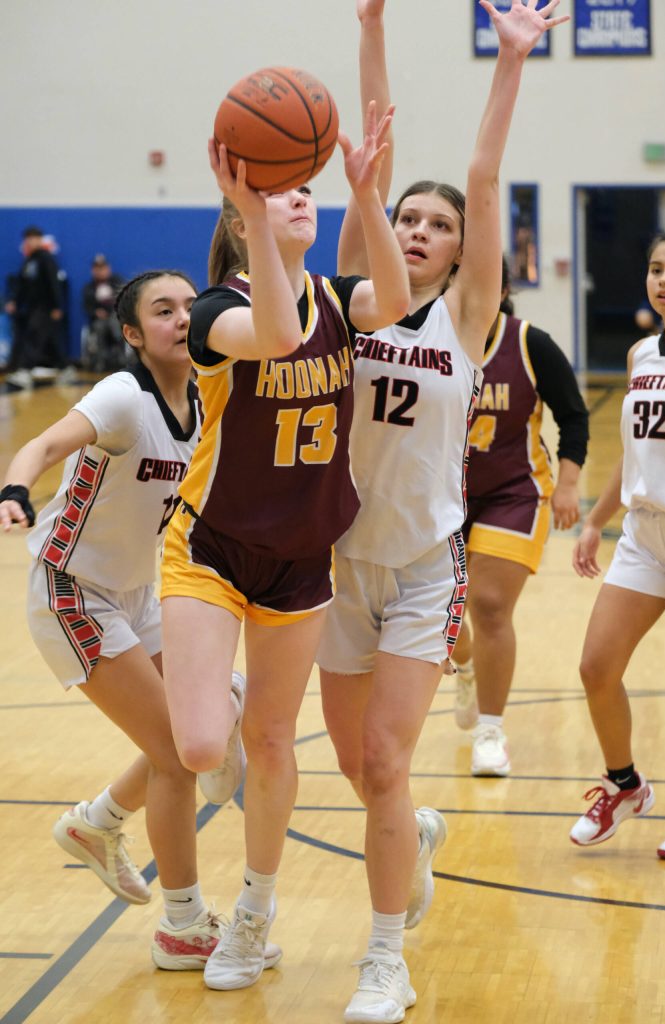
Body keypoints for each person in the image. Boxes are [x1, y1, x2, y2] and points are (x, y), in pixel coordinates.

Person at [317, 1, 570, 1021]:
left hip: (425, 563)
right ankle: (408, 835)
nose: (419, 230)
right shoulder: (355, 295)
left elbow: (479, 177)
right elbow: (369, 148)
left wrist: (508, 63)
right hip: (332, 564)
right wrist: (370, 25)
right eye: (406, 220)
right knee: (361, 773)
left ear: (462, 252)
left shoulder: (466, 318)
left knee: (384, 758)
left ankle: (384, 959)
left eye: (438, 225)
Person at [159, 102, 410, 994]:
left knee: (269, 742)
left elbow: (404, 297)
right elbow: (275, 336)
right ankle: (210, 678)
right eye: (280, 192)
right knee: (197, 748)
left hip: (303, 556)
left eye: (307, 191)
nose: (299, 200)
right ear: (239, 215)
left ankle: (255, 913)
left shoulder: (340, 301)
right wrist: (251, 216)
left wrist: (367, 195)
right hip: (212, 547)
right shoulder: (213, 315)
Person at [0, 270, 267, 971]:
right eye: (162, 310)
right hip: (72, 591)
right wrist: (14, 488)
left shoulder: (209, 404)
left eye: (188, 306)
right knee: (181, 752)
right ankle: (182, 927)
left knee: (220, 704)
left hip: (140, 593)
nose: (182, 318)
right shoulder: (122, 398)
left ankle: (99, 823)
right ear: (131, 333)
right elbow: (47, 445)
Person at [448, 256, 588, 776]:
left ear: (503, 287)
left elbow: (574, 416)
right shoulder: (429, 340)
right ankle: (464, 664)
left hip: (514, 491)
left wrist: (570, 485)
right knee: (442, 614)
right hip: (441, 496)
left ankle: (491, 731)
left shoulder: (530, 343)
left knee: (487, 606)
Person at [570, 231, 665, 861]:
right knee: (596, 667)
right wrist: (596, 518)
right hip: (643, 533)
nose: (663, 280)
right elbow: (639, 451)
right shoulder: (643, 354)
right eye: (656, 269)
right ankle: (624, 786)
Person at [4, 226, 66, 389]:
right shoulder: (29, 260)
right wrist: (15, 301)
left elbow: (54, 283)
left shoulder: (46, 259)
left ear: (40, 239)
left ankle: (25, 371)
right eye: (27, 238)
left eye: (33, 238)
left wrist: (56, 306)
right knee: (48, 338)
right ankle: (64, 367)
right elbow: (23, 285)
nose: (30, 241)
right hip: (32, 308)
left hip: (45, 306)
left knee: (34, 336)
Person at [81, 254, 126, 372]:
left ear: (108, 268)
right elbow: (86, 307)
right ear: (93, 270)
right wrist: (96, 312)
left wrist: (113, 310)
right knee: (100, 328)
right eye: (97, 268)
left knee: (115, 324)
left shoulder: (117, 282)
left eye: (103, 268)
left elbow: (124, 301)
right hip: (98, 321)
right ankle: (100, 360)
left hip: (115, 317)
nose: (100, 271)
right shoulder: (89, 288)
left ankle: (121, 356)